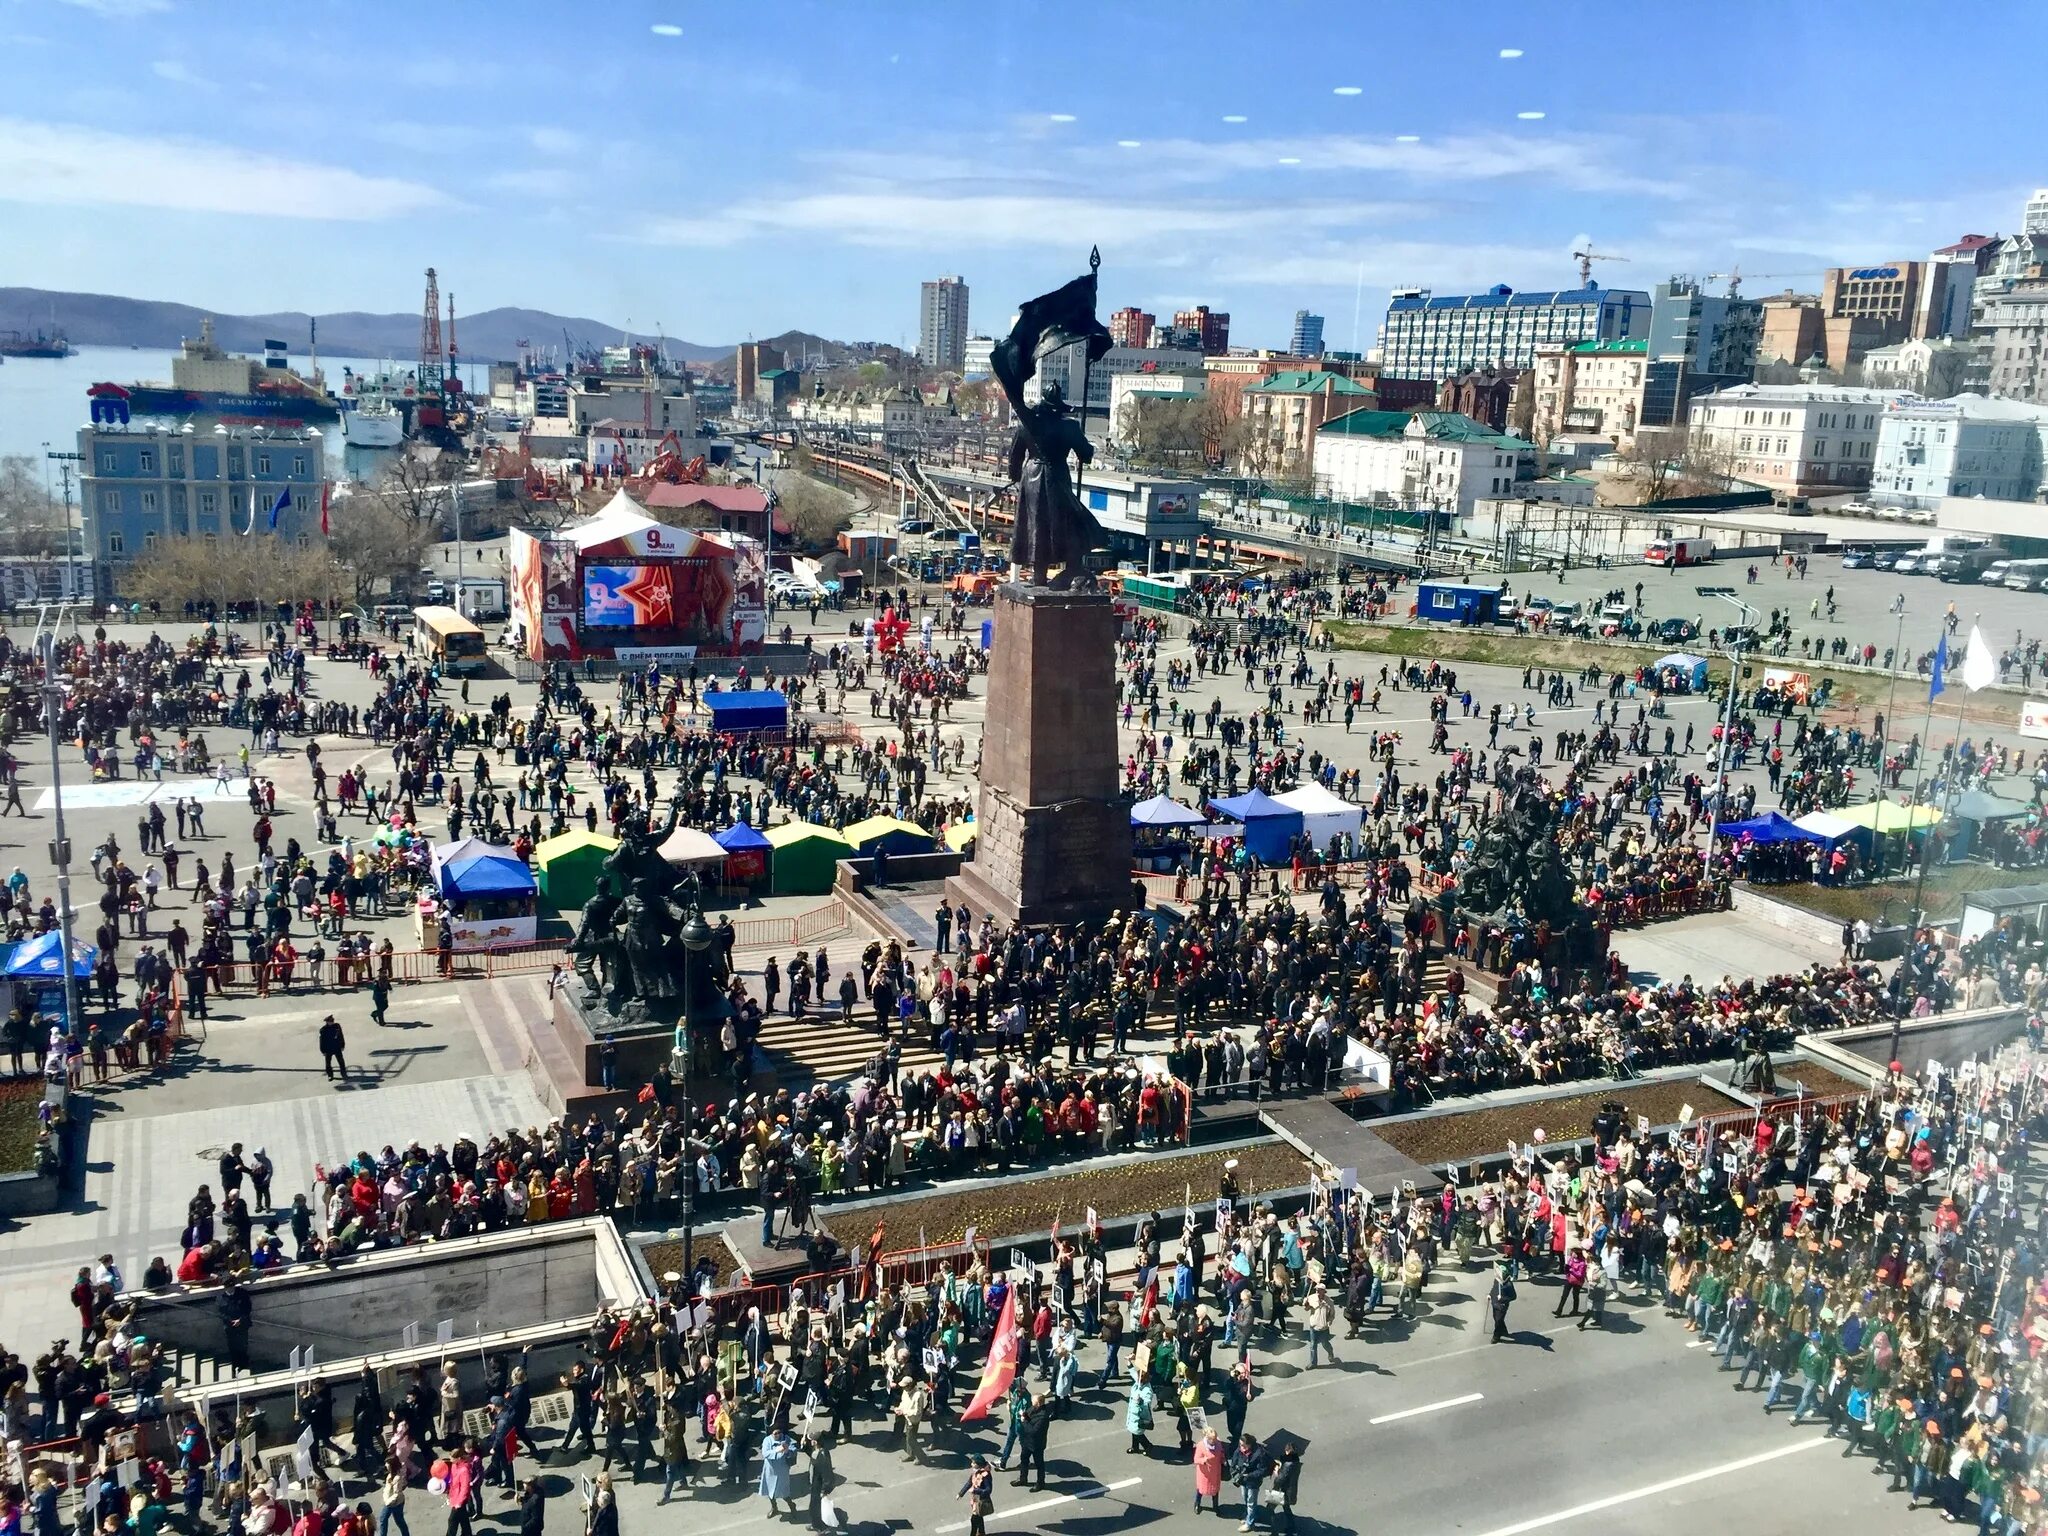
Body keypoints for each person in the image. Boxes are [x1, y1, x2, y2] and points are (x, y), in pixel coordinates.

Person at [1229, 1432, 1271, 1532]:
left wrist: (1249, 1475)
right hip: (1243, 1480)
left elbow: (1262, 1470)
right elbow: (1234, 1461)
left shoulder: (1259, 1453)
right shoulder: (1239, 1450)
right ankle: (1250, 1514)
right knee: (1245, 1497)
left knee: (1251, 1502)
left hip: (1253, 1482)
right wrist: (1234, 1472)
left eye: (1243, 1445)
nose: (1241, 1447)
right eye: (1240, 1445)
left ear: (1250, 1444)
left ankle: (1249, 1523)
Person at [757, 1426, 797, 1518]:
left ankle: (792, 1506)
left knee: (784, 1492)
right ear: (771, 1433)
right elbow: (765, 1453)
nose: (778, 1435)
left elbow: (793, 1450)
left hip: (782, 1470)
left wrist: (787, 1451)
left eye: (779, 1432)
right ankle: (774, 1508)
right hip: (770, 1470)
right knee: (770, 1491)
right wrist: (777, 1450)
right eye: (775, 1433)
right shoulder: (767, 1440)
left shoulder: (786, 1439)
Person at [1269, 1439, 1302, 1533]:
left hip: (1282, 1490)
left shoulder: (1288, 1465)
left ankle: (1273, 1529)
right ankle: (1291, 1526)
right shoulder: (1296, 1461)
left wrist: (1277, 1472)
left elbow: (1280, 1479)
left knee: (1270, 1508)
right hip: (1289, 1491)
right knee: (1286, 1508)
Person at [803, 1434, 835, 1532]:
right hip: (814, 1483)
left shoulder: (823, 1454)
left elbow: (827, 1473)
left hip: (819, 1486)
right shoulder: (816, 1450)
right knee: (813, 1507)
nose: (811, 1441)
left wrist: (824, 1490)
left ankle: (822, 1528)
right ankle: (815, 1524)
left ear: (816, 1442)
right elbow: (811, 1455)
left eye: (812, 1440)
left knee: (817, 1508)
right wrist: (804, 1446)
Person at [957, 1455, 995, 1536]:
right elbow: (969, 1482)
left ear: (978, 1464)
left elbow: (988, 1490)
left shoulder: (986, 1475)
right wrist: (961, 1493)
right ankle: (981, 1532)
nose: (971, 1464)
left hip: (981, 1500)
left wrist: (976, 1490)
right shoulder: (975, 1472)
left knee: (974, 1519)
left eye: (973, 1463)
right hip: (975, 1499)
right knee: (979, 1516)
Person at [1193, 1425, 1225, 1515]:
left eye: (1215, 1439)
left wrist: (1223, 1459)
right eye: (1212, 1439)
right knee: (1200, 1490)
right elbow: (1196, 1460)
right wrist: (1204, 1460)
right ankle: (1197, 1504)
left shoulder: (1218, 1443)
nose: (1214, 1441)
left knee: (1215, 1491)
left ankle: (1215, 1506)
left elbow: (1221, 1452)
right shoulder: (1201, 1446)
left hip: (1215, 1472)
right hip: (1205, 1474)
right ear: (1207, 1437)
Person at [1488, 1261, 1516, 1343]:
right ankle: (1503, 1330)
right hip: (1494, 1303)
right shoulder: (1497, 1279)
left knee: (1498, 1320)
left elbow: (1513, 1296)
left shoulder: (1508, 1284)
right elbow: (1494, 1288)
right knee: (1496, 1318)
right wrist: (1490, 1294)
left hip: (1502, 1306)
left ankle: (1496, 1336)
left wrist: (1502, 1299)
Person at [318, 1015, 348, 1081]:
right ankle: (330, 1075)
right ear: (327, 1022)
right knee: (328, 1063)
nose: (332, 1022)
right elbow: (322, 1041)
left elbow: (341, 1036)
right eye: (330, 1021)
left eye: (332, 1021)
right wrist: (323, 1051)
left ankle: (344, 1073)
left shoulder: (337, 1026)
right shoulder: (323, 1030)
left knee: (341, 1061)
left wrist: (342, 1045)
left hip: (337, 1047)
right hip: (328, 1048)